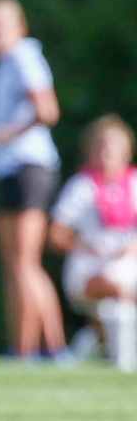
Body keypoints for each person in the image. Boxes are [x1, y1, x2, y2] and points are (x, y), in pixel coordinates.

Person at [0, 0, 67, 361]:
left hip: (28, 166)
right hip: (12, 170)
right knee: (20, 265)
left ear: (20, 27)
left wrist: (9, 134)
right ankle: (49, 349)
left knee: (23, 264)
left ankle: (28, 350)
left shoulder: (24, 56)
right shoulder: (4, 63)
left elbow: (48, 110)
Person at [48, 115, 137, 372]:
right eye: (101, 145)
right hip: (88, 269)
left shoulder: (133, 183)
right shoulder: (81, 186)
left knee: (117, 305)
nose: (107, 151)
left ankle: (93, 343)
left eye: (113, 145)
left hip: (127, 266)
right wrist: (87, 246)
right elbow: (56, 233)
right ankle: (123, 361)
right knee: (117, 290)